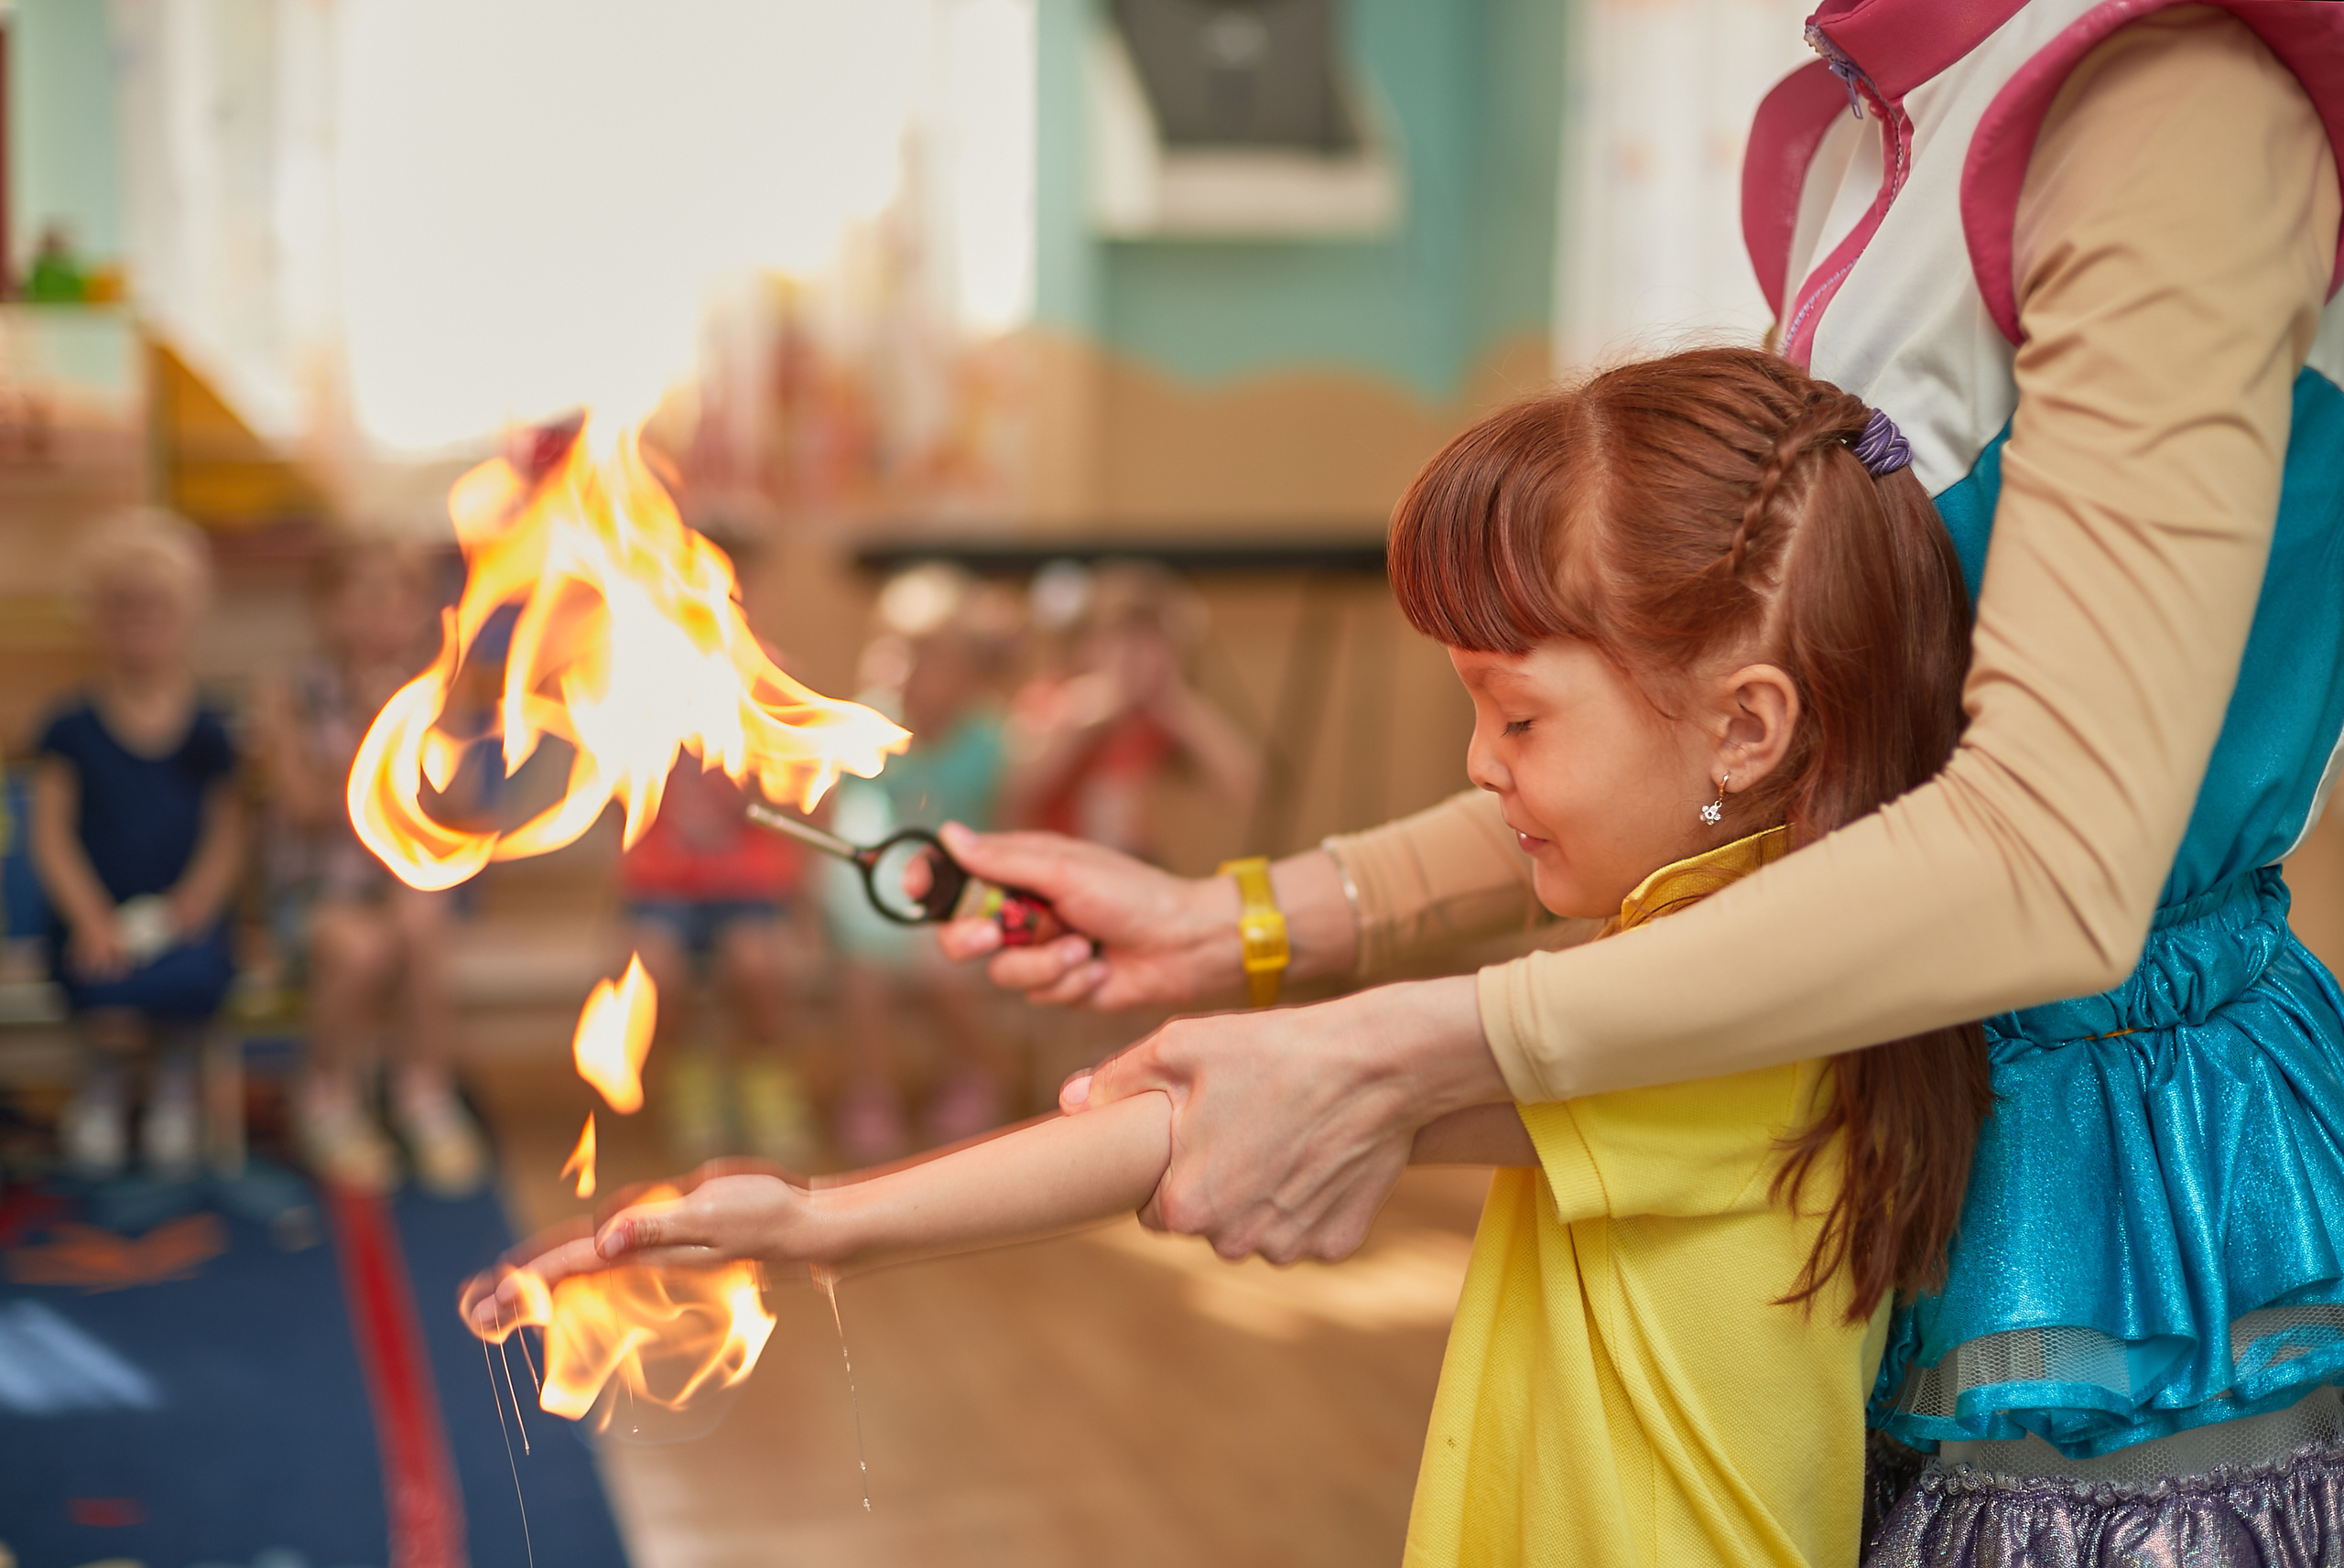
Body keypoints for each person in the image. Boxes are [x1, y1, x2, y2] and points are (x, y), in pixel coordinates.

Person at [934, 5, 2344, 1553]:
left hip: (2119, 1205)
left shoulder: (2166, 114)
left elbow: (2048, 864)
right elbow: (1725, 762)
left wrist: (1408, 1047)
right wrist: (1246, 921)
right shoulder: (1860, 142)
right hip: (1854, 1091)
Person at [476, 350, 1984, 1566]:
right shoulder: (1733, 951)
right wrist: (818, 1223)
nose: (1480, 764)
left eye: (1518, 716)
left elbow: (1189, 1119)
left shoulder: (1737, 1018)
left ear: (1745, 726)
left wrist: (823, 1222)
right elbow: (1208, 1112)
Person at [252, 539, 488, 1196]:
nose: (382, 611)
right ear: (326, 606)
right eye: (363, 593)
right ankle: (327, 1096)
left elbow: (458, 805)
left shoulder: (436, 690)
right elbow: (301, 805)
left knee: (421, 922)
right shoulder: (292, 691)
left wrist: (403, 764)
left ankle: (424, 1093)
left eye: (399, 596)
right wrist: (371, 737)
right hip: (317, 886)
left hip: (403, 881)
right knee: (358, 948)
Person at [29, 510, 243, 1183]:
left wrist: (198, 899)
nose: (140, 620)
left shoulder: (208, 726)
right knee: (103, 977)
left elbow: (228, 829)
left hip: (182, 910)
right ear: (94, 615)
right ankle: (106, 1085)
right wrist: (90, 914)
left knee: (193, 975)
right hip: (96, 907)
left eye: (158, 605)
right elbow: (51, 834)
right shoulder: (69, 727)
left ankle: (175, 1086)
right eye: (122, 605)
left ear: (188, 613)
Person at [822, 565, 1021, 1159]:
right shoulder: (865, 727)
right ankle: (871, 1092)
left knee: (945, 969)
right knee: (864, 976)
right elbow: (834, 815)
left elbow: (1006, 830)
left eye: (925, 654)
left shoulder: (989, 741)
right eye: (891, 647)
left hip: (958, 896)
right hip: (871, 898)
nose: (902, 667)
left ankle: (974, 1075)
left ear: (969, 672)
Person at [623, 754, 816, 1167]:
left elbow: (787, 809)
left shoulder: (755, 734)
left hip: (744, 886)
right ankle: (690, 1078)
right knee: (654, 968)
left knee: (756, 964)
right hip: (663, 887)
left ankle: (766, 1077)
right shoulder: (645, 737)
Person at [1003, 560, 1257, 860]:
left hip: (1131, 862)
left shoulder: (1159, 712)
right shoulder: (1055, 694)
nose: (1135, 655)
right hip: (1059, 860)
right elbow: (1016, 788)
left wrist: (1178, 705)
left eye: (1152, 641)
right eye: (1122, 638)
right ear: (1086, 642)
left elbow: (1246, 785)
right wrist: (1090, 715)